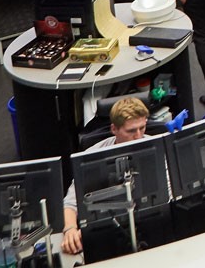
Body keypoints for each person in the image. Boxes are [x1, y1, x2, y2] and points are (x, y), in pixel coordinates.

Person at [62, 98, 151, 256]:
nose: (138, 136)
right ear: (114, 129)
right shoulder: (92, 156)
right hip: (107, 230)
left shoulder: (154, 146)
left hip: (150, 222)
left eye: (142, 128)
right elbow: (70, 202)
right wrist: (70, 229)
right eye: (131, 131)